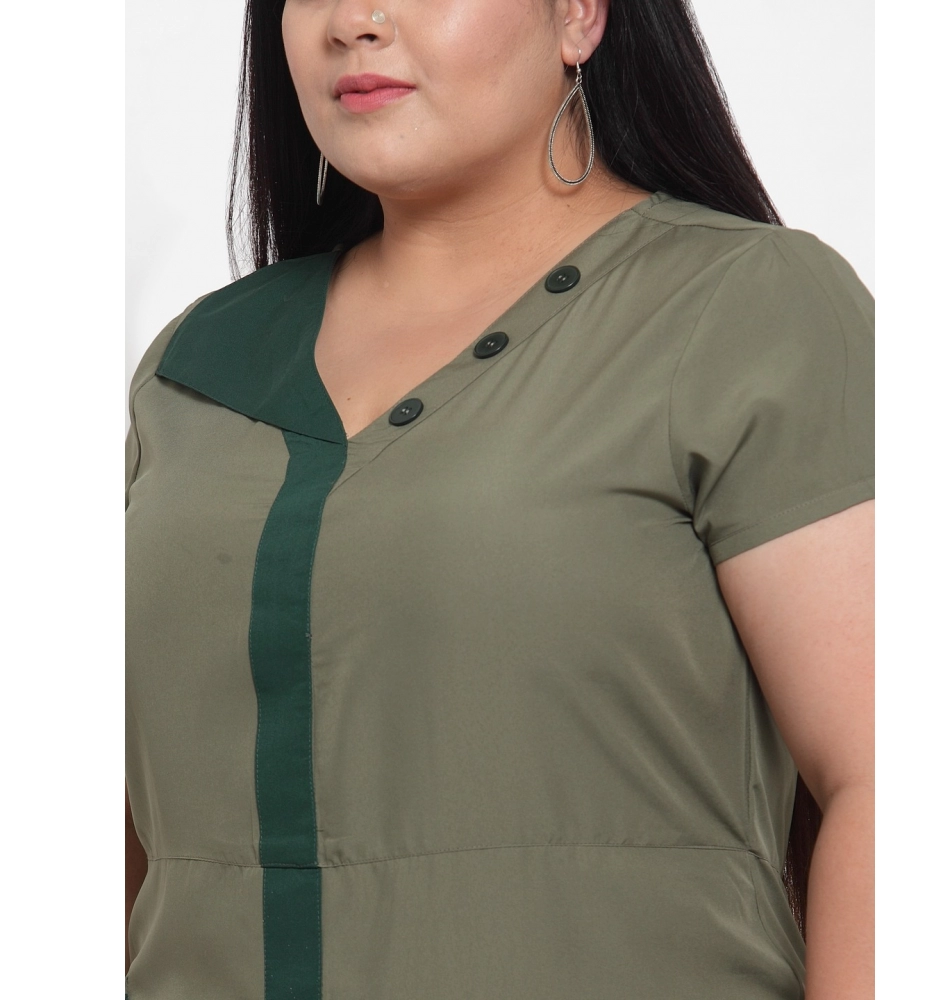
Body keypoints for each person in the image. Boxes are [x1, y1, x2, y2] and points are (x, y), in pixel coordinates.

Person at [124, 1, 874, 998]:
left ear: (578, 16)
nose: (355, 21)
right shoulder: (195, 366)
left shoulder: (747, 308)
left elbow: (884, 775)